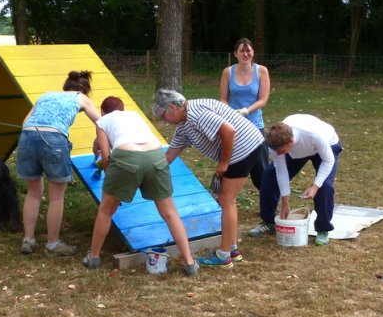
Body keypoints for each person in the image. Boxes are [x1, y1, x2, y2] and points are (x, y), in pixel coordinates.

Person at [82, 96, 199, 277]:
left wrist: (113, 184)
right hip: (156, 155)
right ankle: (190, 263)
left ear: (103, 111)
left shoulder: (102, 121)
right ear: (122, 109)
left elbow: (106, 158)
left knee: (106, 210)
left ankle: (94, 258)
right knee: (169, 212)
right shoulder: (134, 115)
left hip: (127, 156)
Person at [153, 89, 265, 268]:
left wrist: (224, 162)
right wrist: (149, 170)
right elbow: (169, 156)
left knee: (226, 200)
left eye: (163, 115)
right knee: (227, 200)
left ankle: (224, 255)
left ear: (172, 107)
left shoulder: (196, 113)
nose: (164, 121)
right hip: (244, 147)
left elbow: (229, 131)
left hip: (244, 148)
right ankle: (233, 248)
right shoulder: (184, 124)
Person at [17, 71, 100, 257]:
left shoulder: (45, 95)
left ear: (66, 87)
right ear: (84, 90)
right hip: (54, 139)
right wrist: (99, 143)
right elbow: (102, 123)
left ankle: (28, 240)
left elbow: (25, 122)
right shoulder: (81, 98)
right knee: (56, 197)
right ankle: (53, 244)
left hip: (27, 137)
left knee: (33, 193)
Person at [248, 114, 342, 246]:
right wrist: (285, 203)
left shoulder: (315, 135)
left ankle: (323, 229)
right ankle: (269, 222)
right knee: (270, 175)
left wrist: (315, 186)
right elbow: (281, 171)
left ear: (290, 142)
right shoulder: (275, 142)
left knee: (324, 186)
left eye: (281, 151)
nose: (278, 154)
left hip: (327, 146)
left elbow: (328, 161)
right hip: (297, 150)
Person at [219, 37, 271, 189]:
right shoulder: (228, 72)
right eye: (241, 51)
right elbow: (223, 98)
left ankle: (267, 202)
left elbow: (263, 100)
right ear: (235, 53)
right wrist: (230, 112)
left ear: (253, 52)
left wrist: (246, 110)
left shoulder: (261, 71)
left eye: (248, 50)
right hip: (234, 126)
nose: (245, 54)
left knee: (260, 168)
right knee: (229, 163)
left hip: (255, 126)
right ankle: (223, 196)